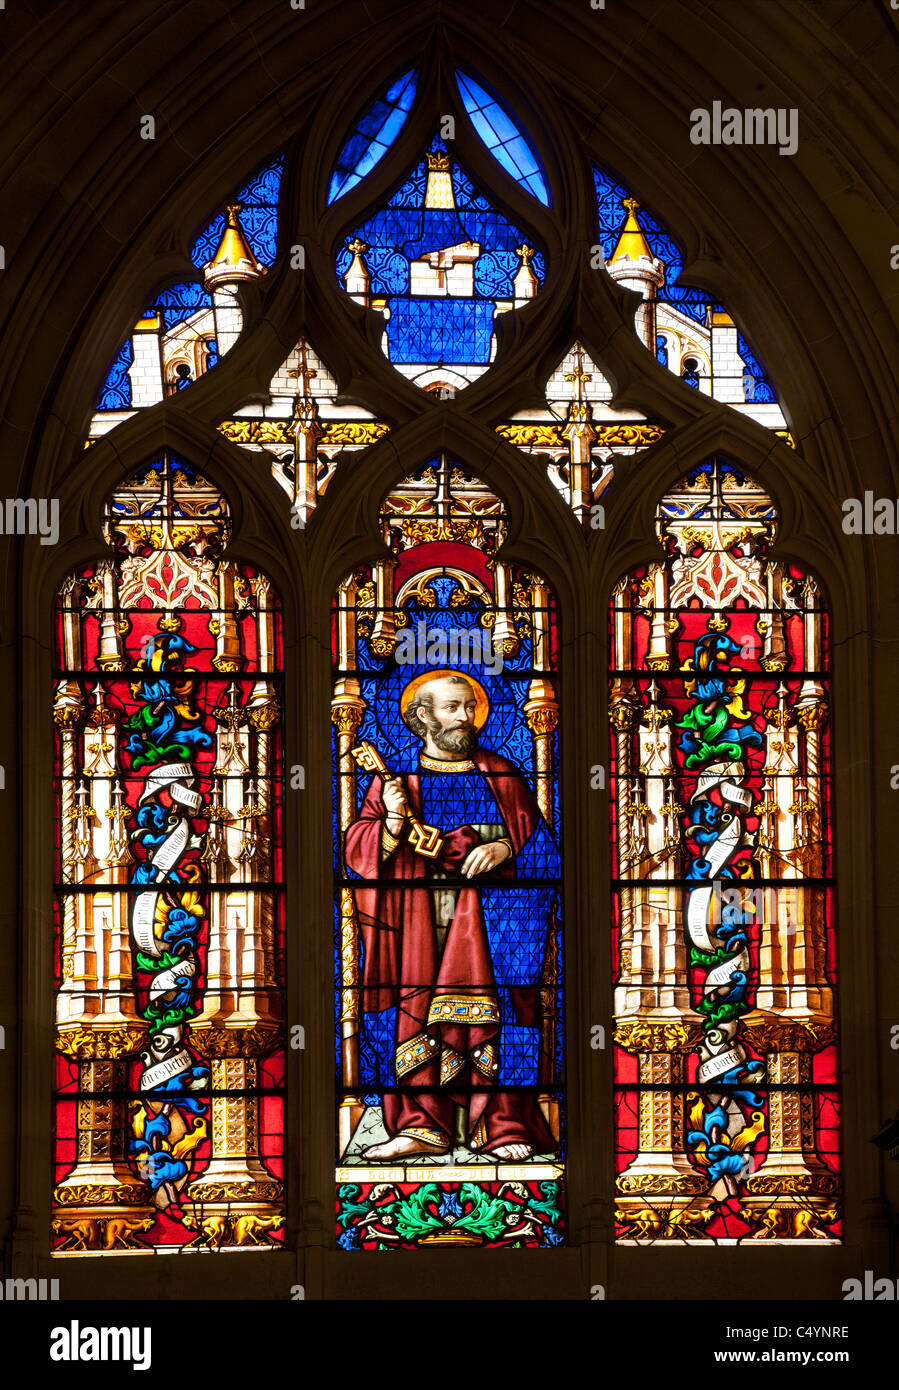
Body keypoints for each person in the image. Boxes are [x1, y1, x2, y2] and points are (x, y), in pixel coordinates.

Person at [345, 671, 559, 1161]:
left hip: (496, 921)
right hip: (418, 924)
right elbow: (357, 853)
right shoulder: (397, 781)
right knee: (414, 1009)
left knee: (505, 1015)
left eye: (470, 707)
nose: (465, 717)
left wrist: (506, 849)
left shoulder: (503, 775)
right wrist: (393, 824)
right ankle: (421, 1127)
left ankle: (504, 1126)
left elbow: (543, 849)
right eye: (452, 707)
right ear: (422, 717)